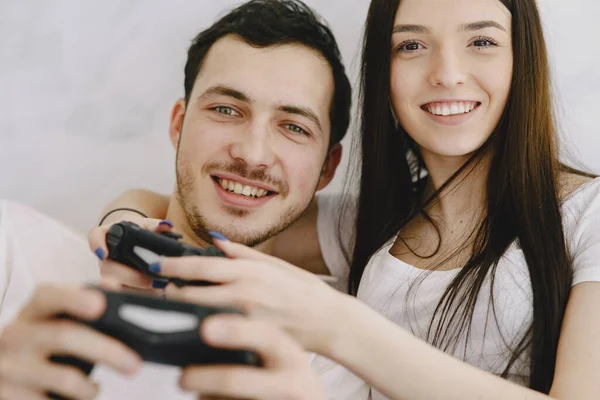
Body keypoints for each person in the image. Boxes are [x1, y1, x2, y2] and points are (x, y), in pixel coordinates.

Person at [104, 0, 600, 399]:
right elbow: (219, 214)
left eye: (482, 41)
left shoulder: (586, 215)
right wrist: (123, 220)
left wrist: (341, 326)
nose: (447, 73)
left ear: (524, 58)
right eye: (411, 45)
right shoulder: (370, 225)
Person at [0, 0, 353, 398]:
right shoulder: (12, 247)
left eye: (293, 127)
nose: (252, 154)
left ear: (327, 168)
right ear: (178, 124)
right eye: (225, 109)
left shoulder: (333, 368)